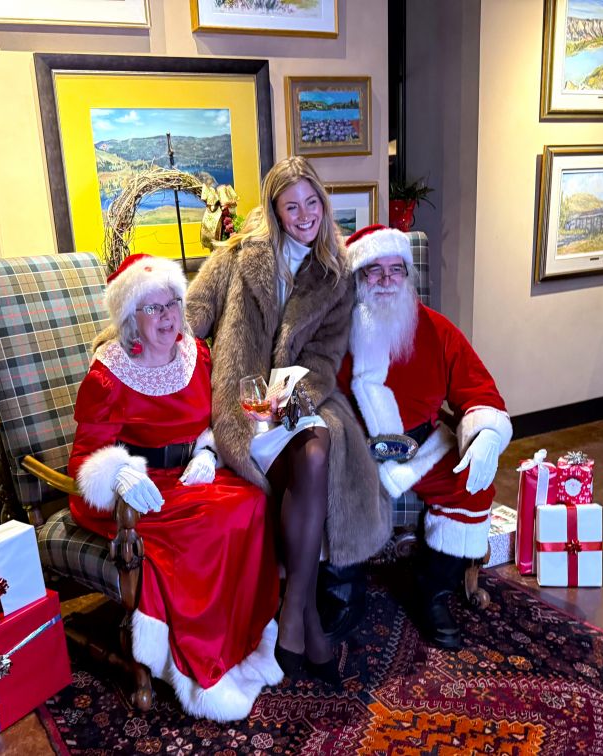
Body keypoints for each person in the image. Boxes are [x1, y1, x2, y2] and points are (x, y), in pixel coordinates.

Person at [185, 157, 389, 679]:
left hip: (298, 399)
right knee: (309, 459)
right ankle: (308, 623)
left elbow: (325, 357)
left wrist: (294, 396)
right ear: (275, 211)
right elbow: (192, 314)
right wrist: (140, 331)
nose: (305, 215)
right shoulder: (236, 257)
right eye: (291, 205)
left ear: (323, 202)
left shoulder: (336, 272)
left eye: (312, 202)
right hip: (242, 404)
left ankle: (292, 614)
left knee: (318, 448)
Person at [68, 254, 283, 722]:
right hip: (141, 487)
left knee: (249, 502)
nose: (168, 317)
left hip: (195, 474)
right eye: (154, 308)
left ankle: (245, 639)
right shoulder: (108, 376)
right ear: (130, 318)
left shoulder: (196, 354)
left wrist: (207, 453)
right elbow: (85, 459)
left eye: (174, 304)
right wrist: (119, 472)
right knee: (199, 531)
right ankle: (200, 666)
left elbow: (214, 418)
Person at [337, 224, 513, 649]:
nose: (385, 281)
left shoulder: (438, 331)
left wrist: (486, 433)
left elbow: (479, 392)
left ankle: (432, 590)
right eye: (373, 272)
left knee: (470, 484)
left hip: (422, 446)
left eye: (395, 270)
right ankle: (340, 594)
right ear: (357, 278)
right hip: (352, 449)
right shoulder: (333, 334)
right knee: (326, 490)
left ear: (408, 276)